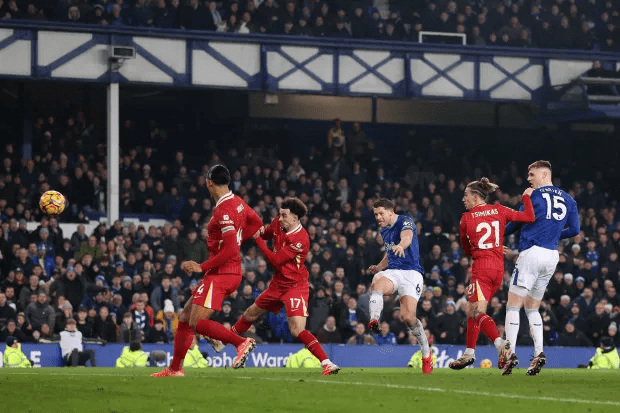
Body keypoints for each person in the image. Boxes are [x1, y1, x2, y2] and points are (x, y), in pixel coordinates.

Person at [152, 164, 263, 377]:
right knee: (185, 318)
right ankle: (175, 369)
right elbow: (257, 223)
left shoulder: (223, 209)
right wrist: (239, 238)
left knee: (198, 323)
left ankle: (241, 342)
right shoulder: (237, 202)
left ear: (209, 182)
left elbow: (230, 249)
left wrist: (201, 266)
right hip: (223, 271)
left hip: (222, 273)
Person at [229, 198, 341, 375]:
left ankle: (327, 363)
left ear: (296, 218)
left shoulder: (301, 238)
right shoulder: (278, 223)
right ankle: (225, 338)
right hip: (277, 284)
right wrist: (253, 228)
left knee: (297, 329)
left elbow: (275, 260)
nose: (279, 218)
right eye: (279, 214)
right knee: (251, 313)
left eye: (284, 215)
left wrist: (258, 241)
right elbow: (265, 233)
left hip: (295, 286)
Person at [503, 160, 580, 376]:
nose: (529, 178)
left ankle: (510, 355)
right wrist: (555, 236)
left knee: (512, 305)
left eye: (532, 174)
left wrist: (496, 233)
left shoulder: (533, 196)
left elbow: (517, 223)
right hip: (551, 255)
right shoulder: (569, 199)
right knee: (532, 307)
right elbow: (575, 229)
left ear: (545, 175)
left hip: (531, 252)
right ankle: (539, 353)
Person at [449, 178, 535, 370]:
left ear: (475, 196)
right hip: (498, 269)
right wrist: (526, 197)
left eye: (465, 195)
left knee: (477, 312)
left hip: (481, 269)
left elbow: (466, 250)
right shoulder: (499, 209)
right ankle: (469, 353)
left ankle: (500, 344)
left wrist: (481, 249)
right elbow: (529, 217)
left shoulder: (466, 218)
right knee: (473, 311)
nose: (463, 199)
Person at [366, 198, 433, 374]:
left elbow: (407, 238)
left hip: (411, 273)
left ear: (390, 211)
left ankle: (426, 354)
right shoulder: (384, 229)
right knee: (378, 283)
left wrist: (402, 246)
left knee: (407, 317)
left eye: (381, 213)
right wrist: (379, 267)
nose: (378, 217)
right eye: (375, 214)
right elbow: (390, 253)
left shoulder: (405, 221)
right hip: (394, 272)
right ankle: (374, 319)